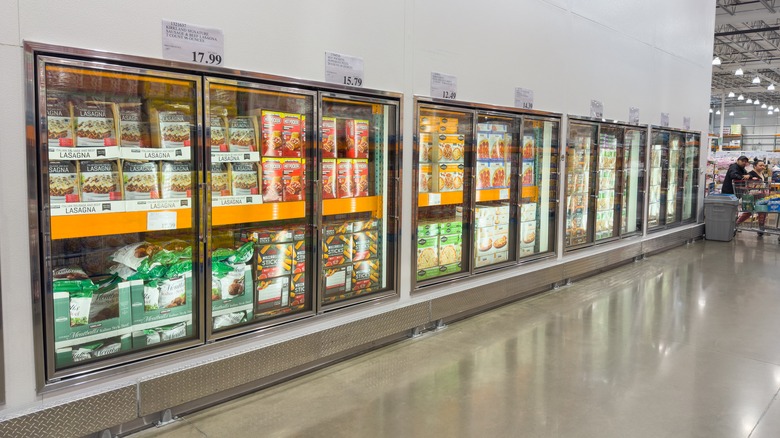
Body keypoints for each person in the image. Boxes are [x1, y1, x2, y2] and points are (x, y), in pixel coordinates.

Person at [736, 160, 768, 235]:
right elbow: (748, 178)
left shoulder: (762, 173)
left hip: (760, 195)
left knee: (762, 211)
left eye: (763, 165)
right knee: (749, 211)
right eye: (760, 165)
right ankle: (736, 223)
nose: (762, 167)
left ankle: (761, 228)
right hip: (752, 195)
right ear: (755, 166)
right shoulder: (751, 173)